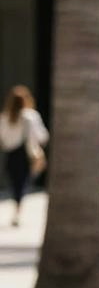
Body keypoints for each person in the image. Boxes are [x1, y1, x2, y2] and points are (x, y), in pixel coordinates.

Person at [1, 85, 49, 227]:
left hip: (11, 154)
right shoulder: (30, 116)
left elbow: (3, 138)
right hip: (24, 154)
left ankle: (17, 209)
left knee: (15, 182)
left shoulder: (4, 117)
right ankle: (18, 210)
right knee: (22, 182)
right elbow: (42, 136)